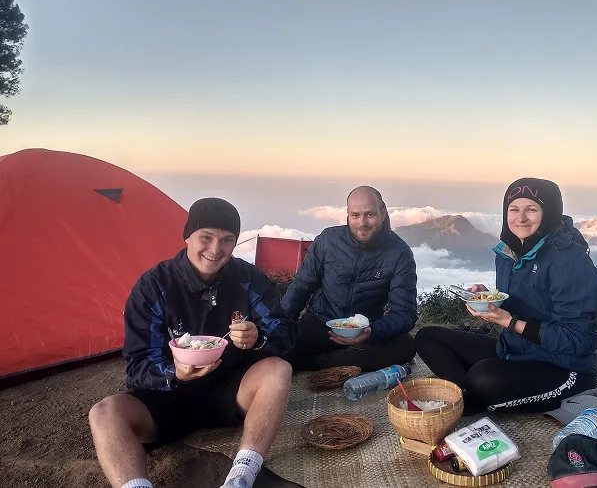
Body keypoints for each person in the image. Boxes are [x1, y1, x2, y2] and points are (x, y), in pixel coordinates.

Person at [88, 197, 298, 488]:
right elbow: (137, 365)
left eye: (227, 240)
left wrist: (258, 338)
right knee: (104, 413)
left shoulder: (247, 278)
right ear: (187, 236)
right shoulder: (154, 286)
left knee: (278, 369)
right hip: (166, 400)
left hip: (230, 393)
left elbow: (285, 331)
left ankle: (241, 477)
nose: (215, 250)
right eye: (206, 237)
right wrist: (175, 374)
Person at [415, 178, 597, 415]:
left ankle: (472, 396)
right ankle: (468, 398)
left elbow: (578, 339)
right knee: (427, 337)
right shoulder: (507, 252)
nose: (520, 218)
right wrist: (487, 300)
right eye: (513, 209)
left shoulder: (570, 262)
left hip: (562, 367)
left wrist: (510, 322)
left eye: (531, 209)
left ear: (549, 213)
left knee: (483, 377)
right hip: (513, 350)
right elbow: (523, 299)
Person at [281, 186, 418, 372]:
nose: (362, 223)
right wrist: (280, 326)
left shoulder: (400, 253)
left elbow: (405, 313)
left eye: (370, 214)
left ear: (383, 212)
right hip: (321, 323)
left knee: (406, 346)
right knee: (277, 346)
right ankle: (338, 363)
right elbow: (300, 287)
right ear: (347, 214)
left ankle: (318, 364)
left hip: (365, 331)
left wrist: (372, 332)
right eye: (355, 215)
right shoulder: (328, 240)